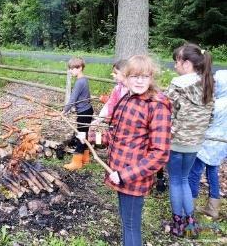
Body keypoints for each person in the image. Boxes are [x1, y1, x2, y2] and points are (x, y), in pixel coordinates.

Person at [87, 55, 172, 246]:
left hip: (132, 178)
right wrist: (92, 138)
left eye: (145, 76)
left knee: (131, 226)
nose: (140, 81)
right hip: (116, 171)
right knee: (126, 223)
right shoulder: (127, 98)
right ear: (126, 77)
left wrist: (125, 174)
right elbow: (117, 135)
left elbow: (160, 153)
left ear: (152, 77)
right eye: (134, 76)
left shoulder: (157, 106)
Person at [164, 43, 214, 237]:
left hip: (176, 142)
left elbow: (166, 112)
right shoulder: (208, 84)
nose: (175, 65)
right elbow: (210, 117)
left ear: (186, 63)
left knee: (176, 181)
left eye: (176, 61)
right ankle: (190, 223)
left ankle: (177, 224)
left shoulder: (178, 84)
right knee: (183, 180)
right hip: (195, 143)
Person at [188, 70, 227, 220]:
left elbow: (204, 122)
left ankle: (189, 205)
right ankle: (213, 207)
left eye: (217, 83)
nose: (214, 85)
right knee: (212, 172)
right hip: (221, 145)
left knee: (194, 172)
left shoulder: (217, 104)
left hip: (208, 143)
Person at [62, 57, 94, 170]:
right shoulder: (84, 79)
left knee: (81, 136)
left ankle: (76, 162)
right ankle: (85, 158)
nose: (70, 71)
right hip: (88, 110)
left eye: (72, 68)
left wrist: (64, 111)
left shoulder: (79, 82)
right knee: (83, 135)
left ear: (79, 68)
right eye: (70, 68)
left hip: (84, 113)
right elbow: (87, 97)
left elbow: (72, 99)